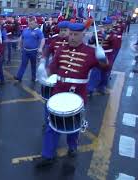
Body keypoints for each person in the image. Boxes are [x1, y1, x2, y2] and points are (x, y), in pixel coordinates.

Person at [36, 22, 109, 167]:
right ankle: (47, 155)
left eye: (76, 35)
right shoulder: (61, 49)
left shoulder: (90, 52)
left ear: (83, 35)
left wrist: (103, 59)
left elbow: (105, 69)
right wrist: (44, 72)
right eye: (71, 34)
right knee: (52, 124)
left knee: (74, 124)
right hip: (59, 91)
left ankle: (72, 147)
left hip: (77, 94)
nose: (72, 37)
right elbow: (54, 67)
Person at [87, 17, 117, 96]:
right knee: (95, 72)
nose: (105, 27)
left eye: (107, 25)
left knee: (105, 73)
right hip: (98, 56)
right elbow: (90, 43)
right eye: (104, 25)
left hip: (108, 55)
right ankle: (90, 89)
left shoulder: (113, 34)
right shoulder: (97, 33)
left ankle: (101, 87)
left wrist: (104, 35)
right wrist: (92, 38)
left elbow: (114, 43)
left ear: (111, 26)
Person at [15, 16, 45, 83]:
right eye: (29, 24)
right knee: (23, 64)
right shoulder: (25, 30)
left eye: (31, 24)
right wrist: (19, 45)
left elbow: (42, 39)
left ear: (35, 23)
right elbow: (21, 38)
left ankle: (33, 78)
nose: (30, 25)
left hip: (34, 51)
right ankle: (19, 77)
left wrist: (40, 48)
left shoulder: (38, 31)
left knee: (33, 65)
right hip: (25, 51)